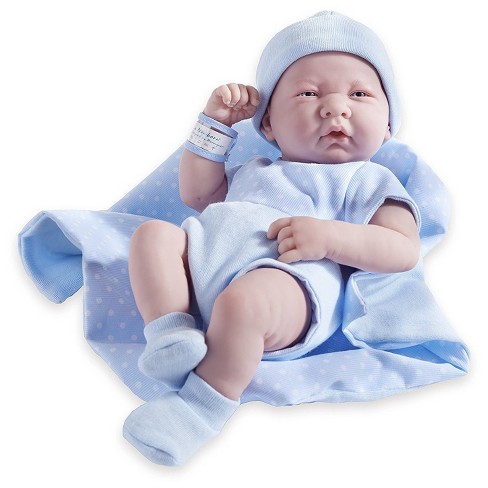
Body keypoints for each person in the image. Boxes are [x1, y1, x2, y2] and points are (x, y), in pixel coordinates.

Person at [123, 11, 421, 466]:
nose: (335, 108)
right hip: (209, 258)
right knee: (152, 236)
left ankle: (200, 409)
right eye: (308, 93)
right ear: (267, 126)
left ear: (387, 126)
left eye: (359, 94)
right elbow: (197, 195)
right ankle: (172, 334)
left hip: (290, 278)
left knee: (243, 305)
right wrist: (215, 123)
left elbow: (402, 249)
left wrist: (331, 237)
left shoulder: (368, 180)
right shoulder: (256, 169)